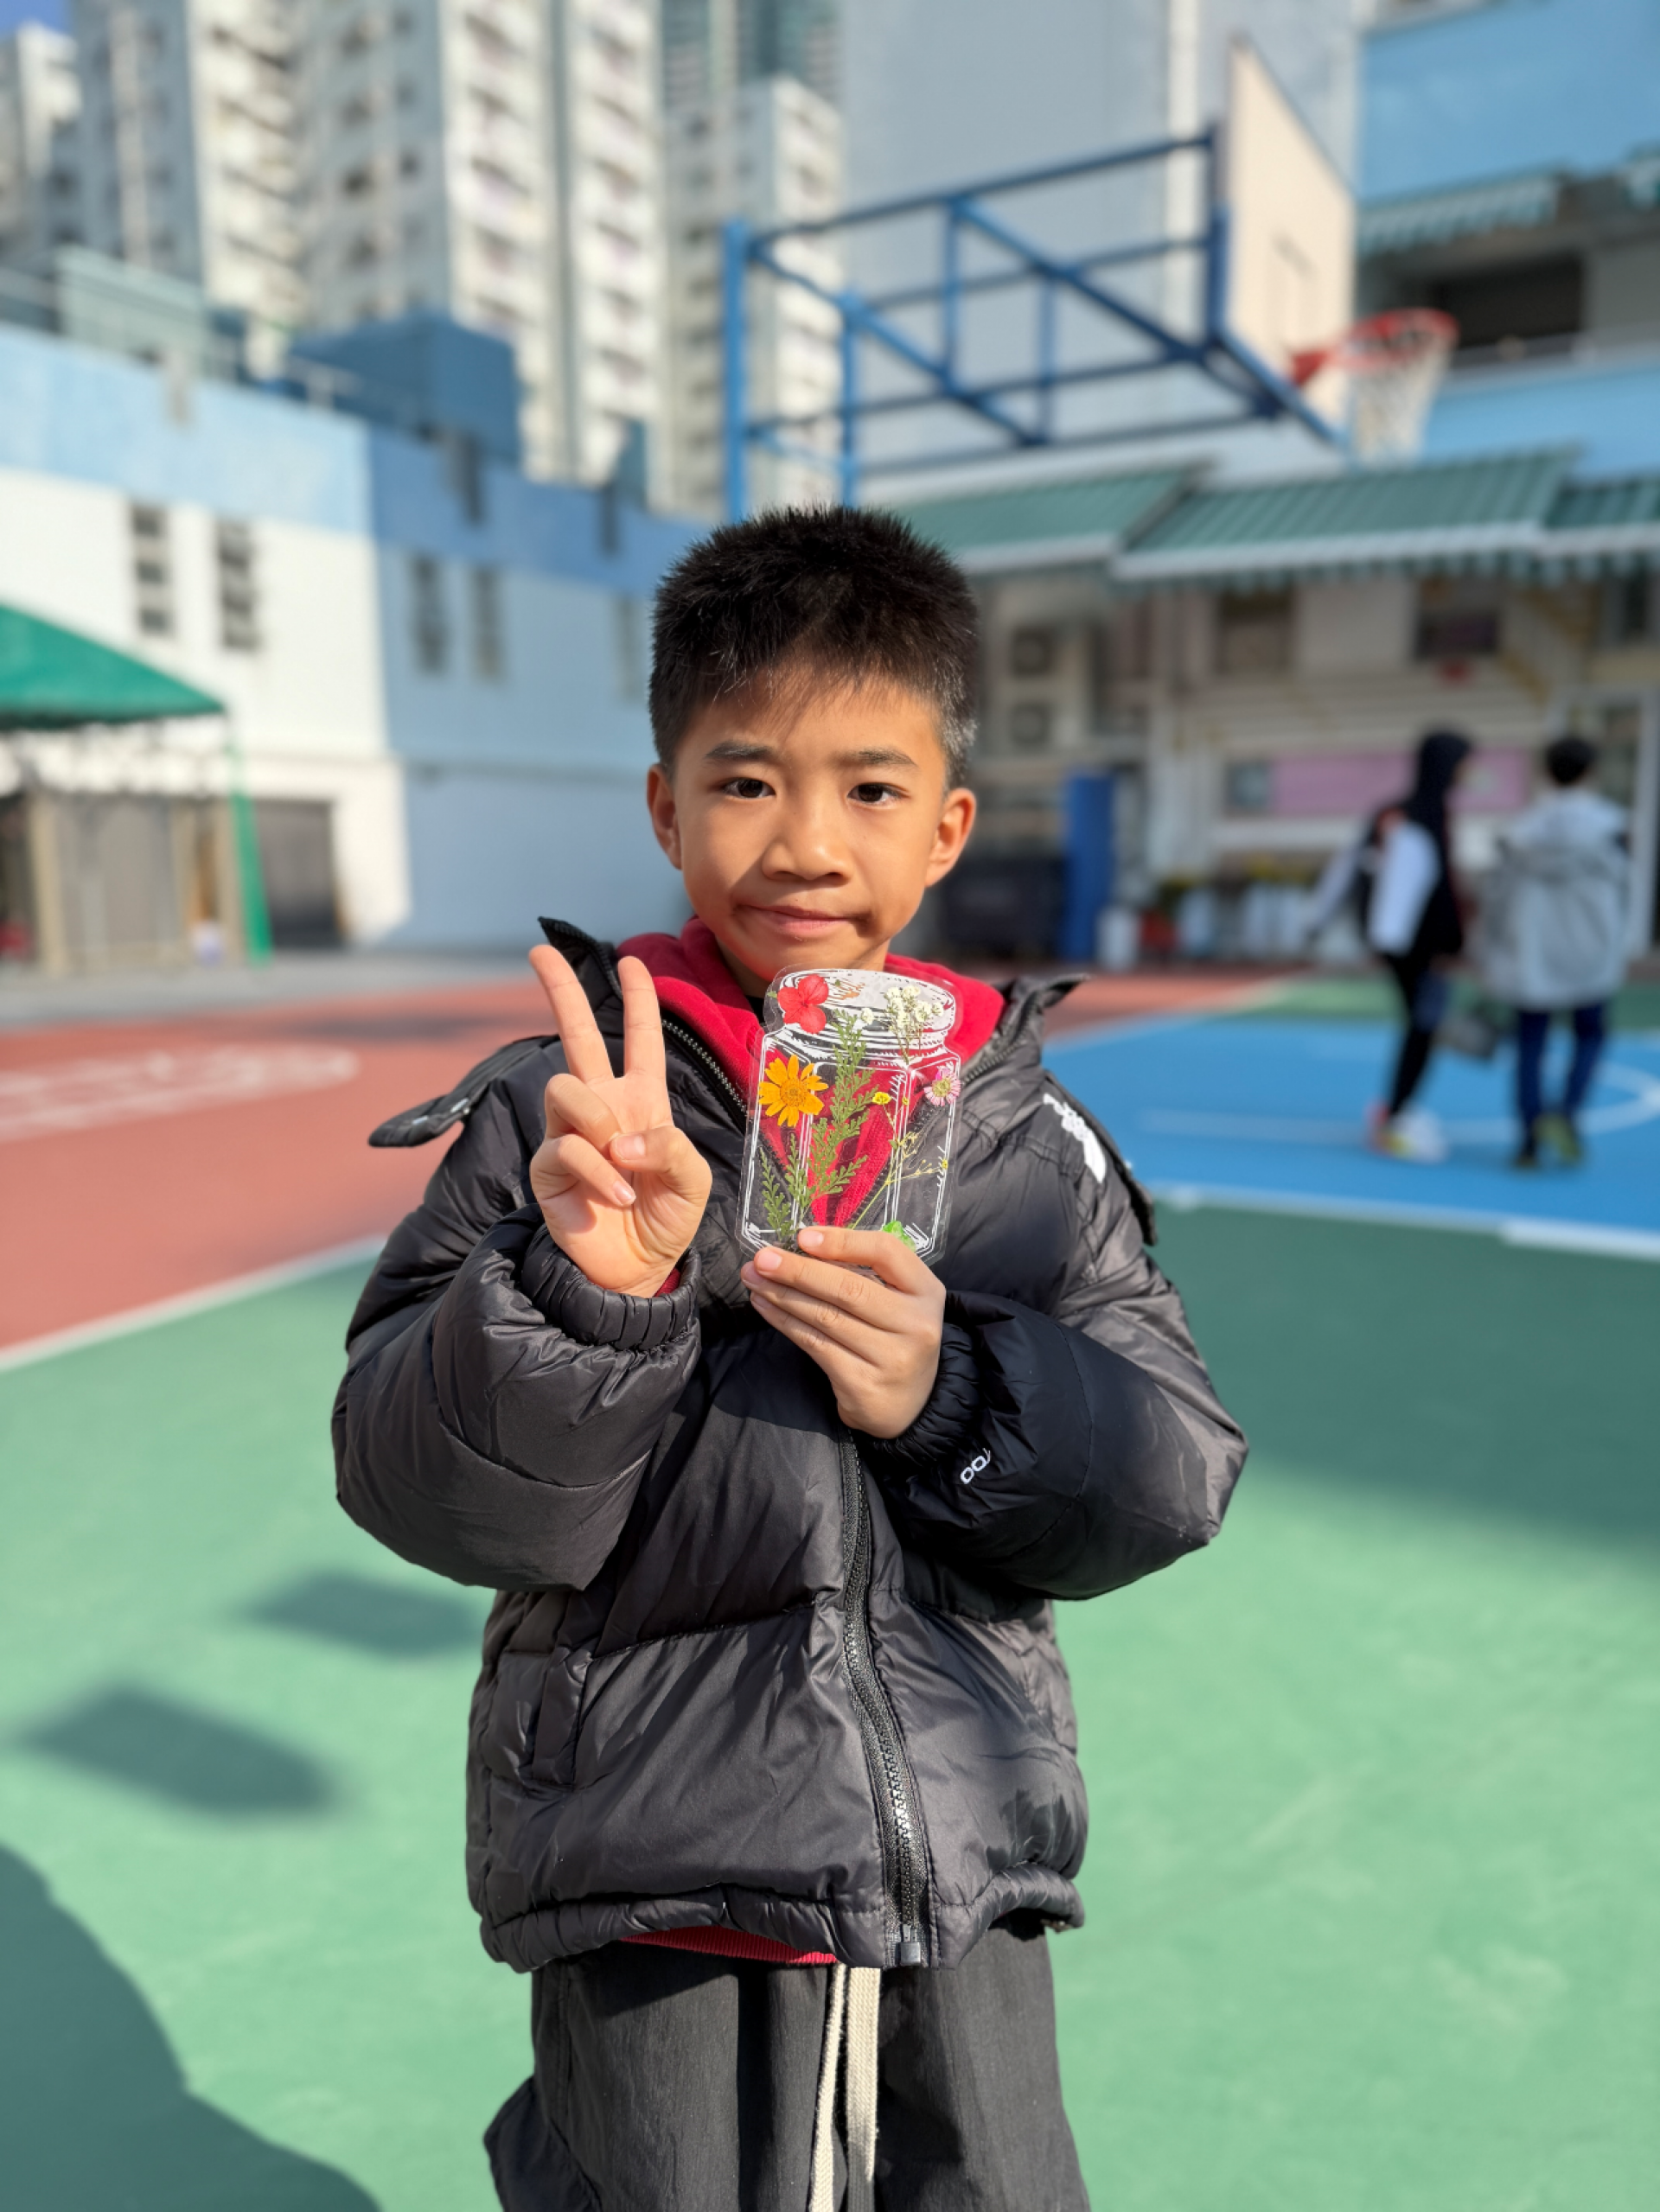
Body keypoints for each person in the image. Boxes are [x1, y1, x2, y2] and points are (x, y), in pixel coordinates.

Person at [332, 509, 1247, 2212]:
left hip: (953, 1853)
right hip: (653, 1861)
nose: (807, 842)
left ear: (947, 824)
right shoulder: (559, 1111)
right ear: (665, 807)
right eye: (746, 780)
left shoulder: (1021, 1130)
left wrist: (956, 1392)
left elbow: (1172, 1467)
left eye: (871, 786)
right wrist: (586, 1293)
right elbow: (424, 1486)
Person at [1311, 729, 1473, 1161]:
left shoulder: (1409, 812)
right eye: (1462, 762)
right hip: (1416, 948)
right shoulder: (1416, 817)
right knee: (1423, 1026)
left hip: (1408, 945)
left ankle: (1399, 1108)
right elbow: (1410, 885)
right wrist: (1431, 943)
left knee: (1421, 1026)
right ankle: (1396, 1117)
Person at [1479, 734, 1630, 1169]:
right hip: (1592, 950)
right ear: (1591, 771)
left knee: (1530, 1043)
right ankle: (1568, 1112)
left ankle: (1528, 1139)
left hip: (1533, 951)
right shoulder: (1612, 826)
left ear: (1546, 771)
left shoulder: (1520, 831)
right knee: (1591, 1034)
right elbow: (1626, 887)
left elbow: (1496, 897)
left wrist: (1490, 948)